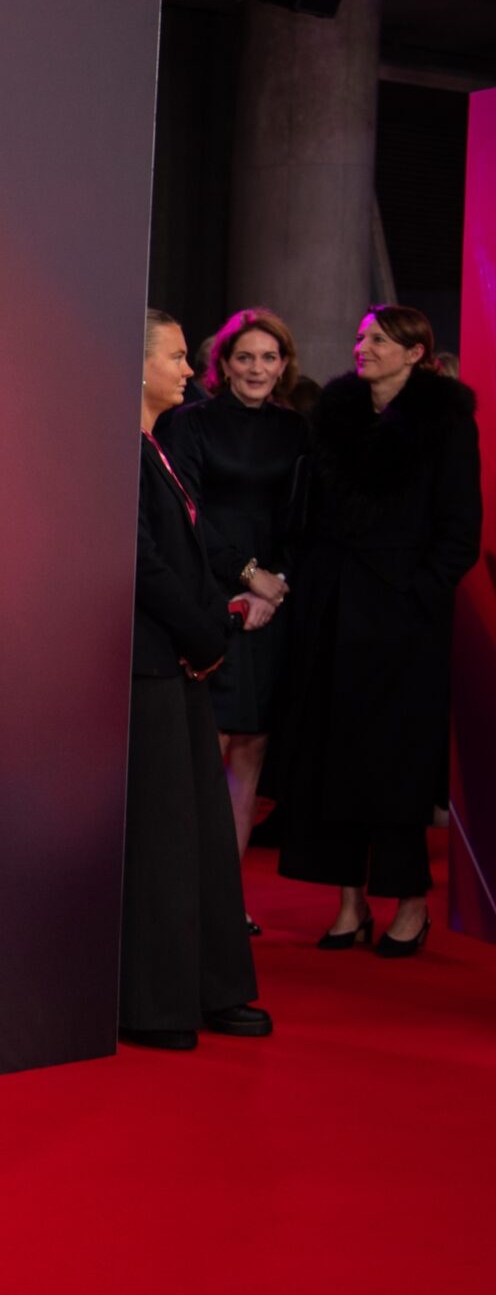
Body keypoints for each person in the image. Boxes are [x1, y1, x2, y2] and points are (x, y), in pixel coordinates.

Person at [269, 305, 482, 956]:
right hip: (331, 612)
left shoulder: (444, 422)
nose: (363, 347)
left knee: (394, 764)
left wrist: (417, 594)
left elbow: (459, 529)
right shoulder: (334, 415)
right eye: (361, 336)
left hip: (401, 625)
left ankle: (410, 900)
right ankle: (348, 902)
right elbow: (308, 512)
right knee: (330, 760)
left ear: (415, 352)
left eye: (379, 339)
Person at [122, 310, 270, 1049]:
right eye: (176, 356)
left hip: (179, 662)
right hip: (150, 664)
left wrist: (218, 615)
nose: (189, 369)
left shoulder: (157, 449)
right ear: (137, 362)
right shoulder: (119, 451)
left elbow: (187, 546)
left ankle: (212, 990)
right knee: (165, 844)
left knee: (202, 838)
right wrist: (209, 628)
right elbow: (143, 565)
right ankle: (159, 1004)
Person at [159, 310, 312, 923]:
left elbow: (304, 517)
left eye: (269, 358)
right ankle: (190, 898)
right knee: (208, 746)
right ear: (222, 364)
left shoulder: (297, 430)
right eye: (244, 357)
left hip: (273, 606)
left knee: (250, 750)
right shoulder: (187, 423)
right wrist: (248, 580)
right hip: (211, 595)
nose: (257, 369)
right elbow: (187, 513)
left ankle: (227, 903)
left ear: (284, 365)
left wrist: (276, 588)